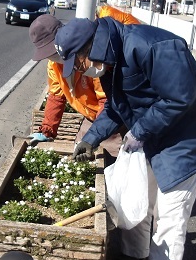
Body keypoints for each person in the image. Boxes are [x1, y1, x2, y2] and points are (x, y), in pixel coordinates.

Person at [54, 17, 196, 260]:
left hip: (188, 138)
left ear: (91, 46)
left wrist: (139, 130)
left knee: (170, 210)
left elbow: (179, 98)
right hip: (152, 133)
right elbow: (116, 106)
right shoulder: (108, 57)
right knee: (139, 196)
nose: (84, 69)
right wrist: (91, 138)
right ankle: (135, 256)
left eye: (80, 61)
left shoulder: (155, 46)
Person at [28, 8, 139, 154]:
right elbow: (56, 96)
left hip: (113, 117)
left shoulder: (88, 58)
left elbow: (107, 102)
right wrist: (47, 130)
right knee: (79, 152)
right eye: (49, 54)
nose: (55, 57)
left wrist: (93, 137)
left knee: (109, 158)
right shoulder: (54, 66)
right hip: (92, 117)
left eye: (55, 51)